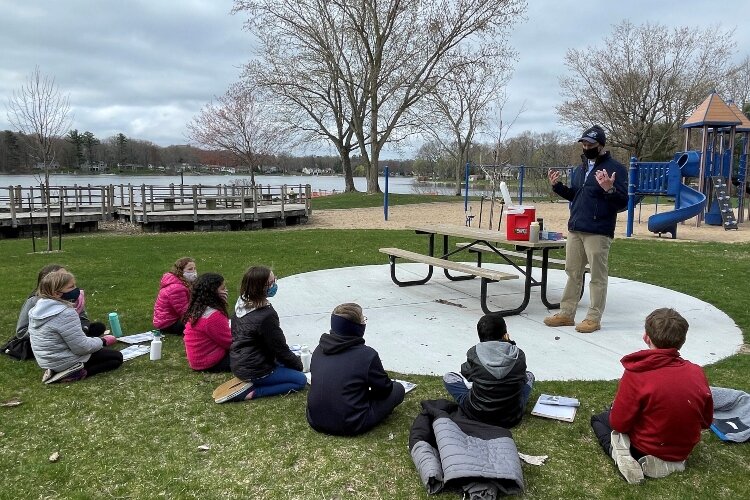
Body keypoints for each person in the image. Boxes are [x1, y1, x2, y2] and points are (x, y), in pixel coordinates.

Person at [590, 308, 713, 484]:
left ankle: (620, 454)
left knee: (599, 420)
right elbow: (706, 421)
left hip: (645, 448)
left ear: (646, 337)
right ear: (682, 340)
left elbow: (619, 424)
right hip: (682, 450)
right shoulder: (697, 372)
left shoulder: (637, 373)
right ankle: (671, 463)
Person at [544, 125, 628, 333]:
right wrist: (558, 187)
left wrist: (610, 188)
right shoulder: (579, 170)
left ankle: (593, 318)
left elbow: (623, 203)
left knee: (597, 277)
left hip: (598, 231)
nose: (586, 147)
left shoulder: (615, 169)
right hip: (576, 228)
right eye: (583, 143)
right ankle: (566, 313)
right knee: (573, 272)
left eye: (590, 144)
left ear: (601, 145)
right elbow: (577, 196)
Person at [306, 303, 405, 436]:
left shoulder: (319, 349)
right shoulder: (367, 355)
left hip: (315, 418)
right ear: (356, 327)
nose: (365, 323)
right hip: (350, 423)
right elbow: (385, 389)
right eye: (363, 320)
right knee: (398, 389)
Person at [223, 266, 306, 402]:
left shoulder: (242, 303)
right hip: (257, 370)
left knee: (287, 363)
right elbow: (279, 348)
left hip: (239, 363)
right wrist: (298, 365)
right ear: (261, 287)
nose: (275, 285)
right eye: (272, 282)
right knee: (300, 380)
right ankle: (255, 392)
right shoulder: (266, 315)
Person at [28, 269, 122, 383]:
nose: (76, 289)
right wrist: (102, 341)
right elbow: (81, 347)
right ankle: (75, 373)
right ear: (56, 293)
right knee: (116, 358)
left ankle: (60, 370)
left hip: (47, 361)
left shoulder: (37, 309)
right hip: (64, 360)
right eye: (71, 287)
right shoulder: (65, 312)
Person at [442, 314, 534, 428]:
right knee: (529, 375)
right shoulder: (519, 354)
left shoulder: (474, 352)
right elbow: (522, 378)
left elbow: (465, 372)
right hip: (511, 416)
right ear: (505, 335)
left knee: (449, 377)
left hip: (476, 414)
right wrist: (510, 343)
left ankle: (480, 389)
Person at [17, 264, 106, 339]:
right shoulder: (35, 301)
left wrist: (82, 328)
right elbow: (21, 332)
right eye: (61, 276)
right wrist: (52, 331)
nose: (66, 278)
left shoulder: (72, 296)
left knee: (98, 327)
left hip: (70, 332)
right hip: (46, 338)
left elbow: (83, 318)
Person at [183, 273, 232, 372]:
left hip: (198, 361)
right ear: (213, 293)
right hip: (210, 362)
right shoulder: (213, 316)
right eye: (222, 289)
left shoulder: (198, 309)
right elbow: (229, 343)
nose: (226, 290)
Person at [153, 257, 197, 335]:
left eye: (194, 268)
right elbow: (185, 311)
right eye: (190, 269)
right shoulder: (177, 288)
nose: (194, 271)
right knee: (202, 323)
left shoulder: (182, 282)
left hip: (168, 320)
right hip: (168, 324)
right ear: (181, 271)